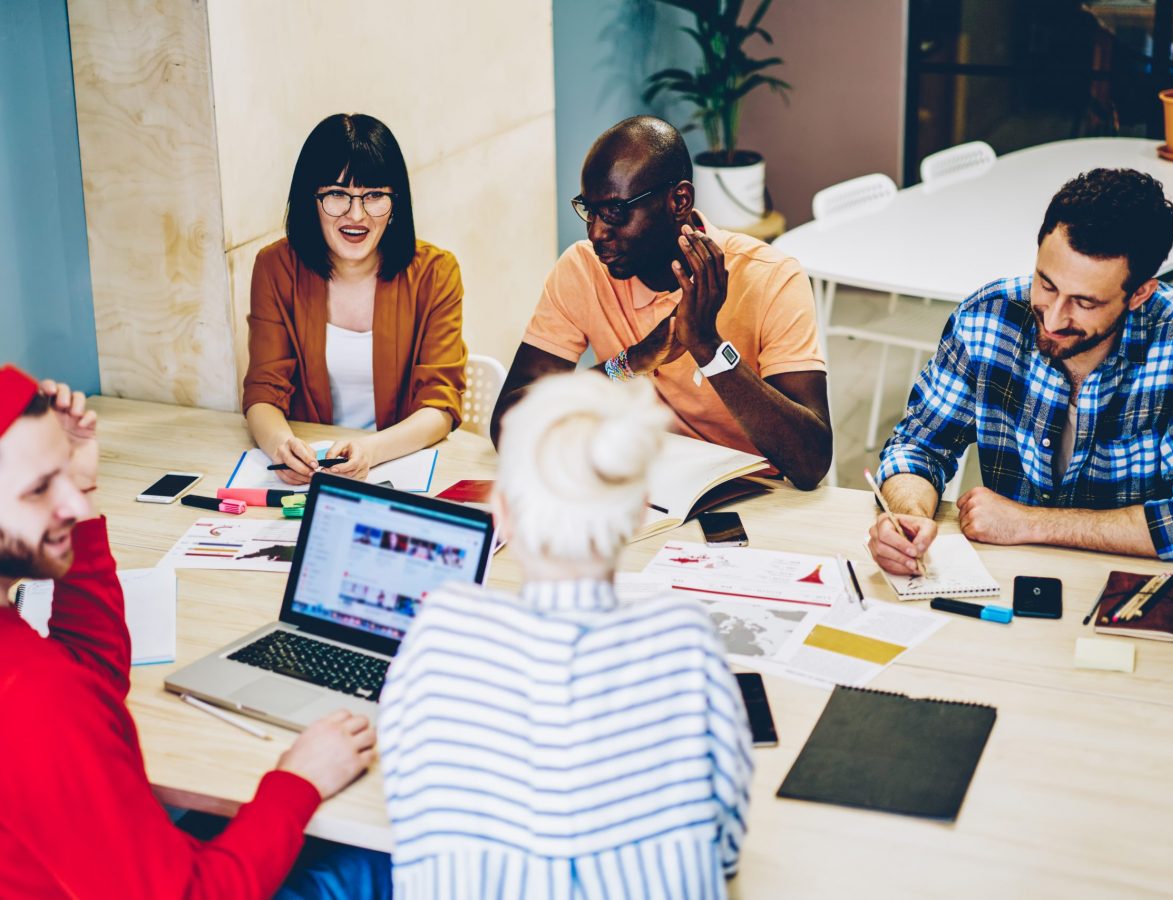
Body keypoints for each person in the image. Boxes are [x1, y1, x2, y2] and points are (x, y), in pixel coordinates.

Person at [0, 364, 389, 898]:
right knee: (381, 853)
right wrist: (298, 780)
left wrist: (77, 490)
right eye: (39, 488)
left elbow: (92, 679)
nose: (71, 502)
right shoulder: (34, 702)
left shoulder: (32, 669)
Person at [380, 371, 753, 897]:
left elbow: (409, 808)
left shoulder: (438, 635)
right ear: (639, 511)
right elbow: (726, 850)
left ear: (502, 510)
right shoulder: (687, 647)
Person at [867, 168, 1173, 573]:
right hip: (1006, 581)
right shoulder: (988, 317)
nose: (1055, 319)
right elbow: (919, 446)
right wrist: (907, 513)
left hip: (1136, 590)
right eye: (1046, 283)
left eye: (1086, 303)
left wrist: (1029, 523)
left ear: (1140, 294)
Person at [492, 115, 831, 488]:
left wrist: (708, 348)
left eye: (615, 212)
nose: (596, 233)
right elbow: (508, 427)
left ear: (679, 201)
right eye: (589, 210)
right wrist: (630, 361)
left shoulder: (770, 276)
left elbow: (811, 463)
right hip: (636, 490)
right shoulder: (581, 269)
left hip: (754, 497)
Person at [244, 113, 467, 485]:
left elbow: (440, 405)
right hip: (308, 477)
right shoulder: (275, 267)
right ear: (310, 199)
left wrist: (371, 451)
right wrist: (282, 447)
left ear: (396, 202)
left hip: (394, 469)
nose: (356, 214)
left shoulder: (435, 272)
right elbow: (263, 391)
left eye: (375, 195)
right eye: (336, 194)